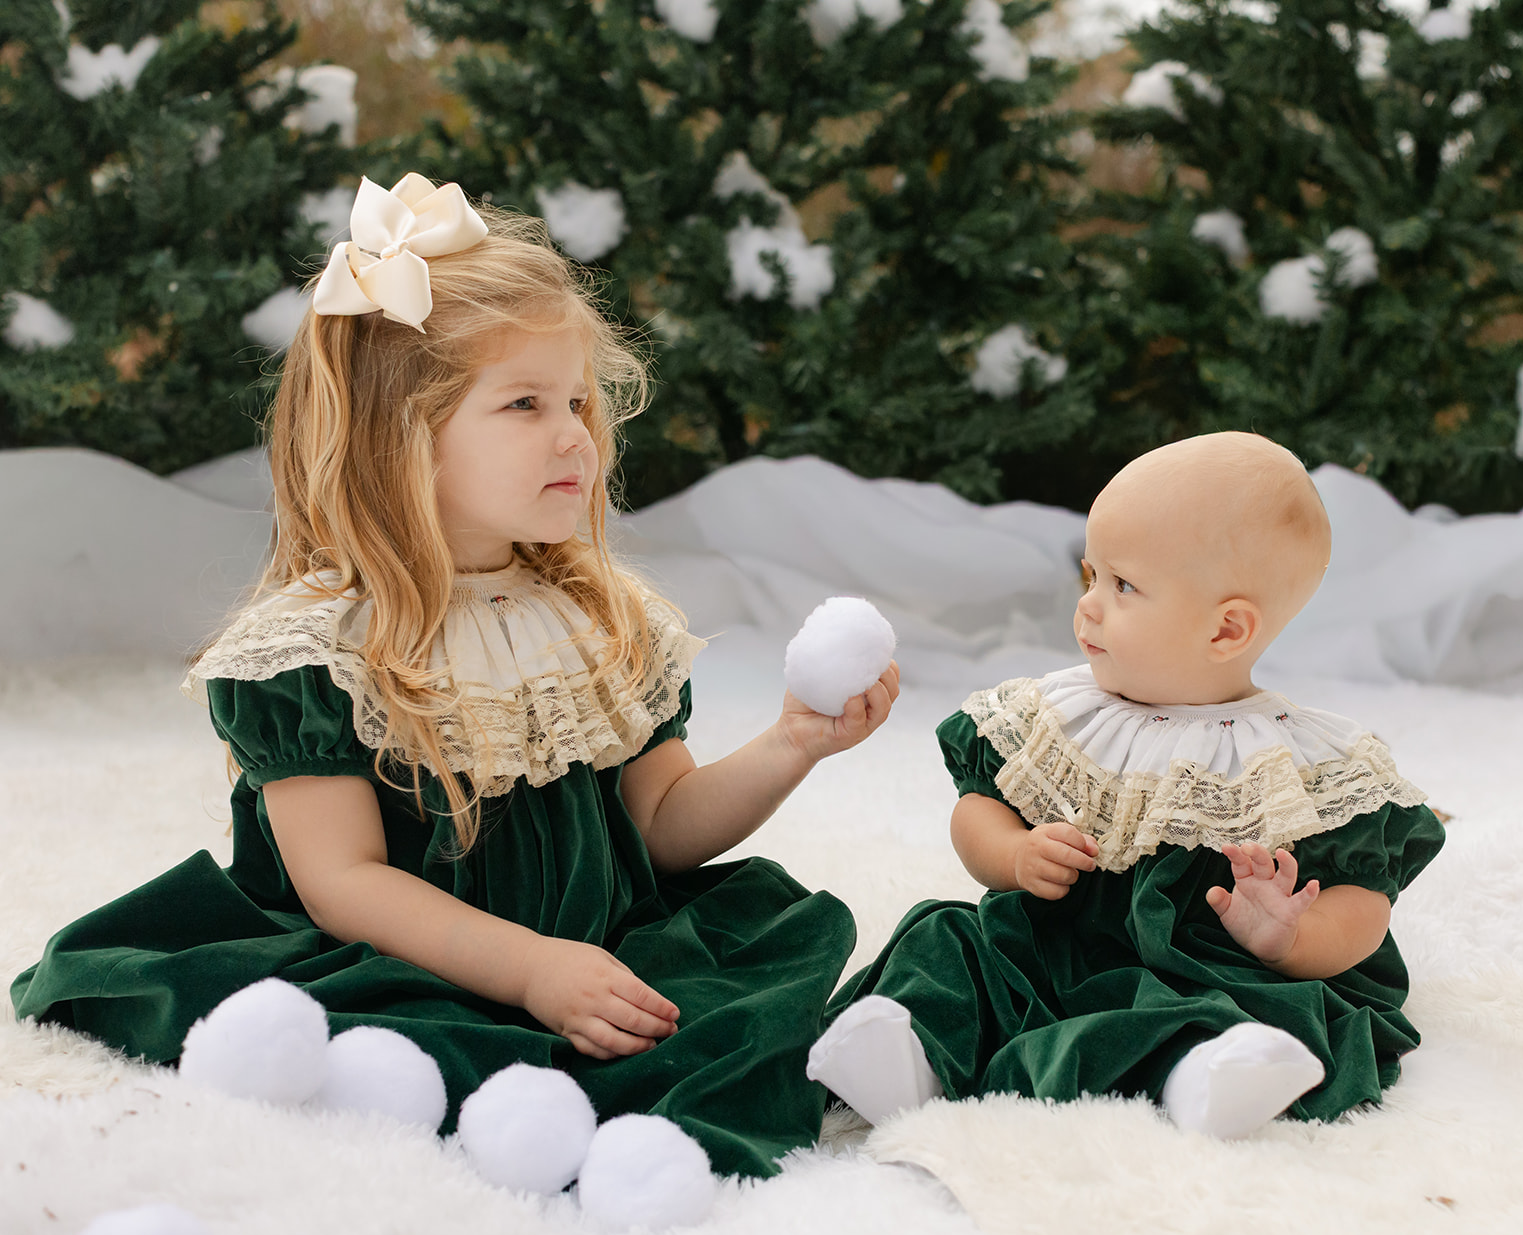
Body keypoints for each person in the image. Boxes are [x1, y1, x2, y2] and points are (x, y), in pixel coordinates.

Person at [11, 174, 898, 1179]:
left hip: (591, 950)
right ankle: (431, 1086)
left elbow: (662, 827)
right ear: (400, 439)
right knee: (383, 1028)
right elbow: (341, 881)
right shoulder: (318, 651)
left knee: (750, 958)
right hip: (402, 955)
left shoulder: (600, 619)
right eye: (523, 403)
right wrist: (528, 967)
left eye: (576, 400)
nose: (575, 432)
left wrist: (793, 742)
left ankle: (552, 1096)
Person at [807, 432, 1444, 1140]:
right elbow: (976, 809)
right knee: (947, 940)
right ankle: (910, 1055)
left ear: (1227, 628)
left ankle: (1202, 1073)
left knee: (1240, 1008)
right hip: (1047, 945)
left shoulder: (1300, 764)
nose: (1089, 606)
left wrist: (1290, 939)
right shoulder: (1061, 717)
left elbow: (1363, 904)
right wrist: (1013, 854)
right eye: (1091, 578)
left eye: (1124, 586)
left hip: (1201, 966)